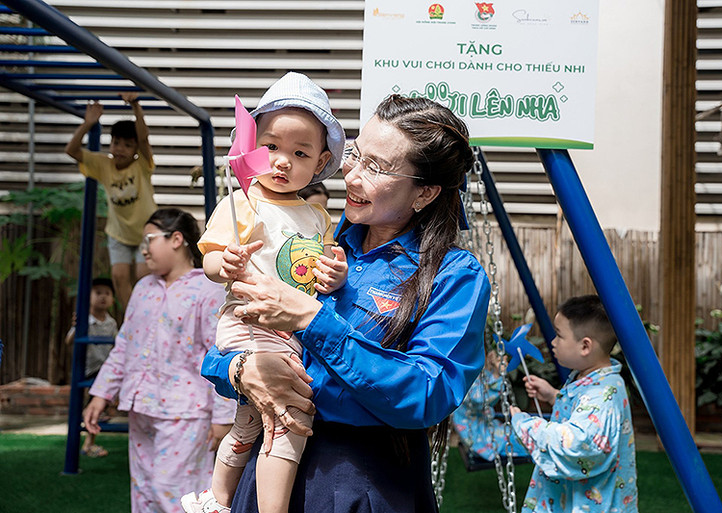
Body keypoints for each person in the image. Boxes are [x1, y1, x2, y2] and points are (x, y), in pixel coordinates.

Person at [200, 94, 492, 513]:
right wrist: (241, 371)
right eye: (355, 155)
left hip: (360, 482)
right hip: (267, 469)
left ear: (424, 193)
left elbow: (428, 392)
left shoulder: (454, 274)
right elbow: (226, 345)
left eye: (376, 167)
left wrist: (311, 319)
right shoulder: (321, 246)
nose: (351, 176)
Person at [183, 72, 347, 513]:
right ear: (250, 147)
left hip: (291, 329)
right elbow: (210, 260)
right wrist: (226, 263)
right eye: (271, 147)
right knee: (290, 415)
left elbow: (323, 270)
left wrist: (334, 275)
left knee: (250, 422)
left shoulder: (317, 216)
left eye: (300, 153)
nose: (282, 162)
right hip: (250, 321)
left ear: (320, 162)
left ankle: (216, 499)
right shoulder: (242, 202)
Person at [82, 208, 235, 513]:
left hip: (186, 413)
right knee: (143, 491)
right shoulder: (143, 288)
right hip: (141, 408)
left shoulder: (207, 289)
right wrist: (100, 395)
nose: (143, 249)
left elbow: (221, 354)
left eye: (149, 239)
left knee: (176, 494)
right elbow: (124, 346)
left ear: (176, 239)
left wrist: (223, 418)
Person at [510, 295, 638, 512]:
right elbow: (584, 412)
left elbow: (578, 443)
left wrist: (525, 424)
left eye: (559, 335)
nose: (553, 342)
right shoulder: (589, 378)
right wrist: (553, 396)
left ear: (585, 346)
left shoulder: (603, 393)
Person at [65, 92, 157, 311]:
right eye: (116, 143)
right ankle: (131, 317)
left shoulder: (142, 165)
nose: (120, 149)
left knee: (144, 275)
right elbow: (71, 151)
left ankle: (148, 314)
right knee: (118, 275)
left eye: (127, 145)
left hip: (145, 230)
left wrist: (136, 106)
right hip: (118, 232)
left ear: (136, 150)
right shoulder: (104, 165)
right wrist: (88, 123)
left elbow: (144, 139)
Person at [64, 277, 118, 458]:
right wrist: (76, 327)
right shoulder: (84, 320)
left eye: (107, 293)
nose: (103, 297)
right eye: (98, 293)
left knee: (96, 406)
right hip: (88, 369)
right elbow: (68, 341)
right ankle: (88, 442)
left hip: (105, 368)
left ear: (112, 299)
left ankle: (89, 442)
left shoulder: (111, 323)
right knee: (92, 405)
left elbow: (117, 345)